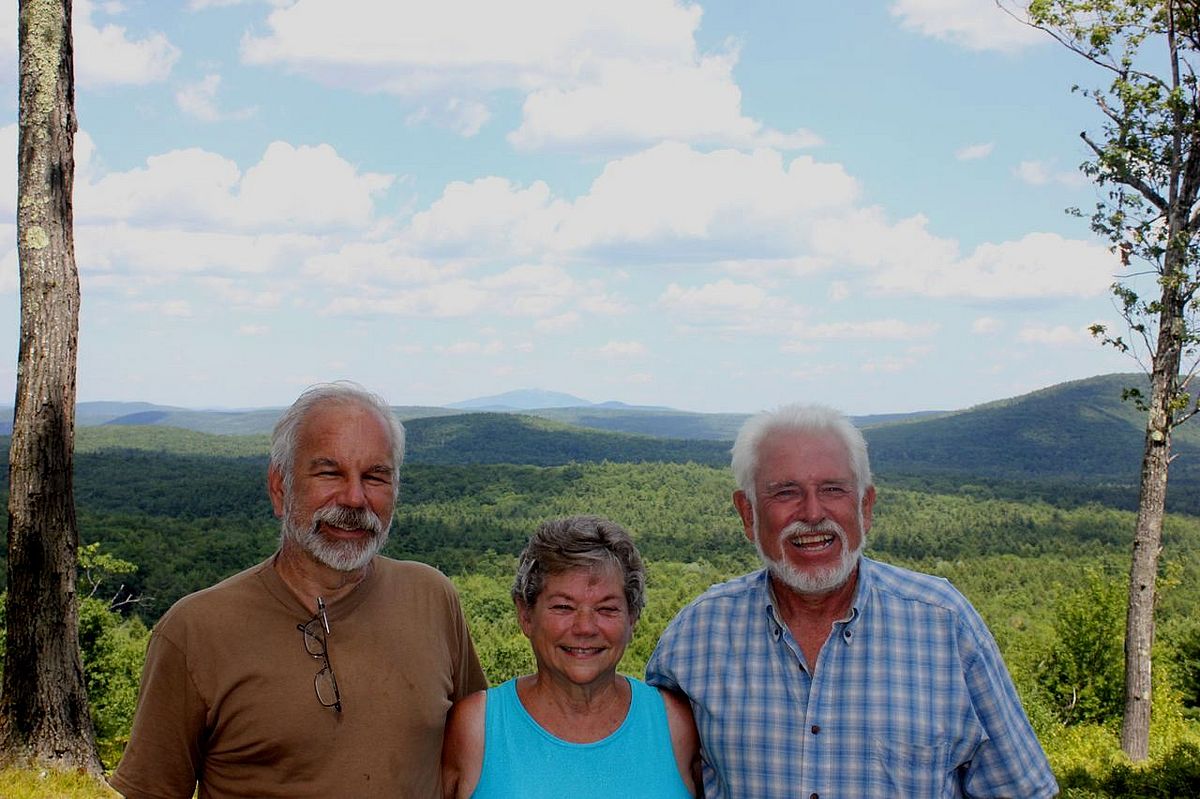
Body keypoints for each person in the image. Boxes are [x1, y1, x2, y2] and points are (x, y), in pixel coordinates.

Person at [645, 404, 1059, 799]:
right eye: (785, 492)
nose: (812, 512)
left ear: (866, 506)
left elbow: (1018, 790)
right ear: (748, 513)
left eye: (833, 489)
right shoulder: (695, 638)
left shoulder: (945, 624)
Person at [111, 381, 487, 799]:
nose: (355, 498)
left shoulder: (432, 598)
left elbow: (472, 753)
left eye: (376, 476)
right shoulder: (195, 632)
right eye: (329, 472)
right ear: (280, 488)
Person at [441, 514, 700, 798]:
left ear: (632, 619)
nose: (585, 627)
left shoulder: (675, 723)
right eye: (564, 607)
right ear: (525, 615)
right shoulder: (476, 726)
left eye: (607, 609)